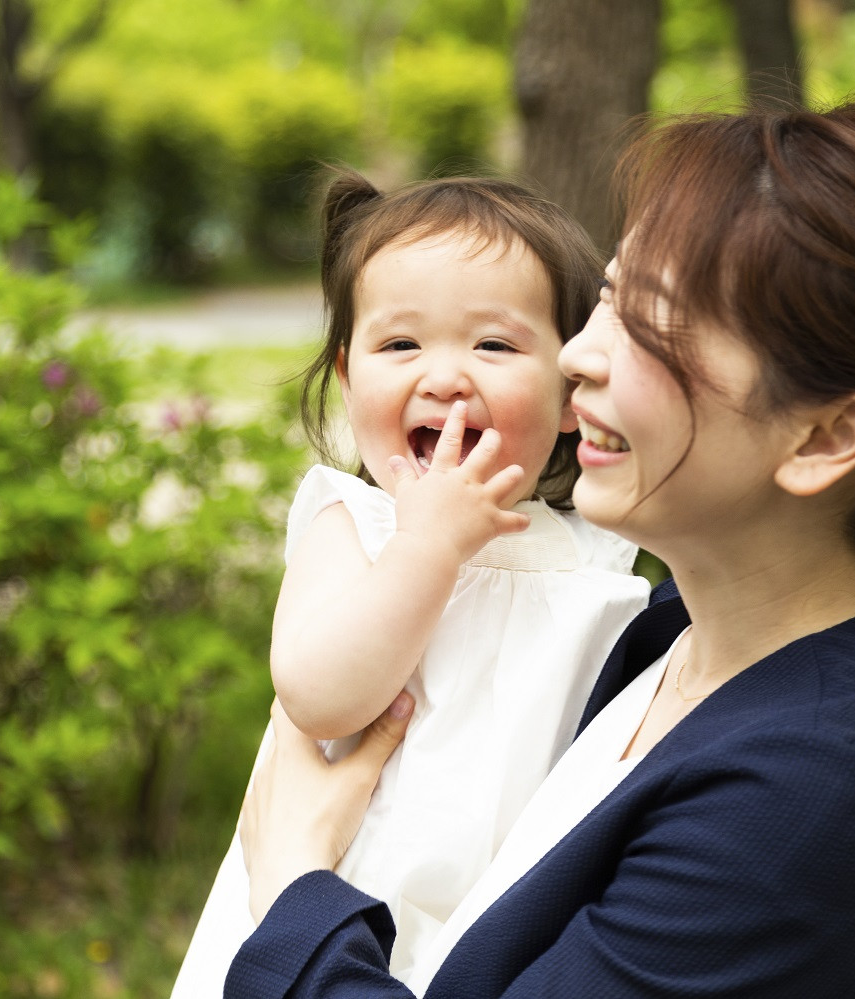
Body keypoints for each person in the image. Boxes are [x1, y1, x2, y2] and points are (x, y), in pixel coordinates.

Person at [227, 101, 855, 997]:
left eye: (653, 326)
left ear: (824, 438)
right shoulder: (651, 636)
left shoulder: (809, 792)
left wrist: (294, 890)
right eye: (611, 295)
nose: (577, 355)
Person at [169, 173, 650, 996]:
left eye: (493, 346)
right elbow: (318, 695)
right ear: (347, 378)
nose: (445, 377)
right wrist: (429, 544)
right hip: (346, 884)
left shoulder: (592, 553)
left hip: (496, 917)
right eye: (400, 346)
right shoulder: (356, 524)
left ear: (570, 392)